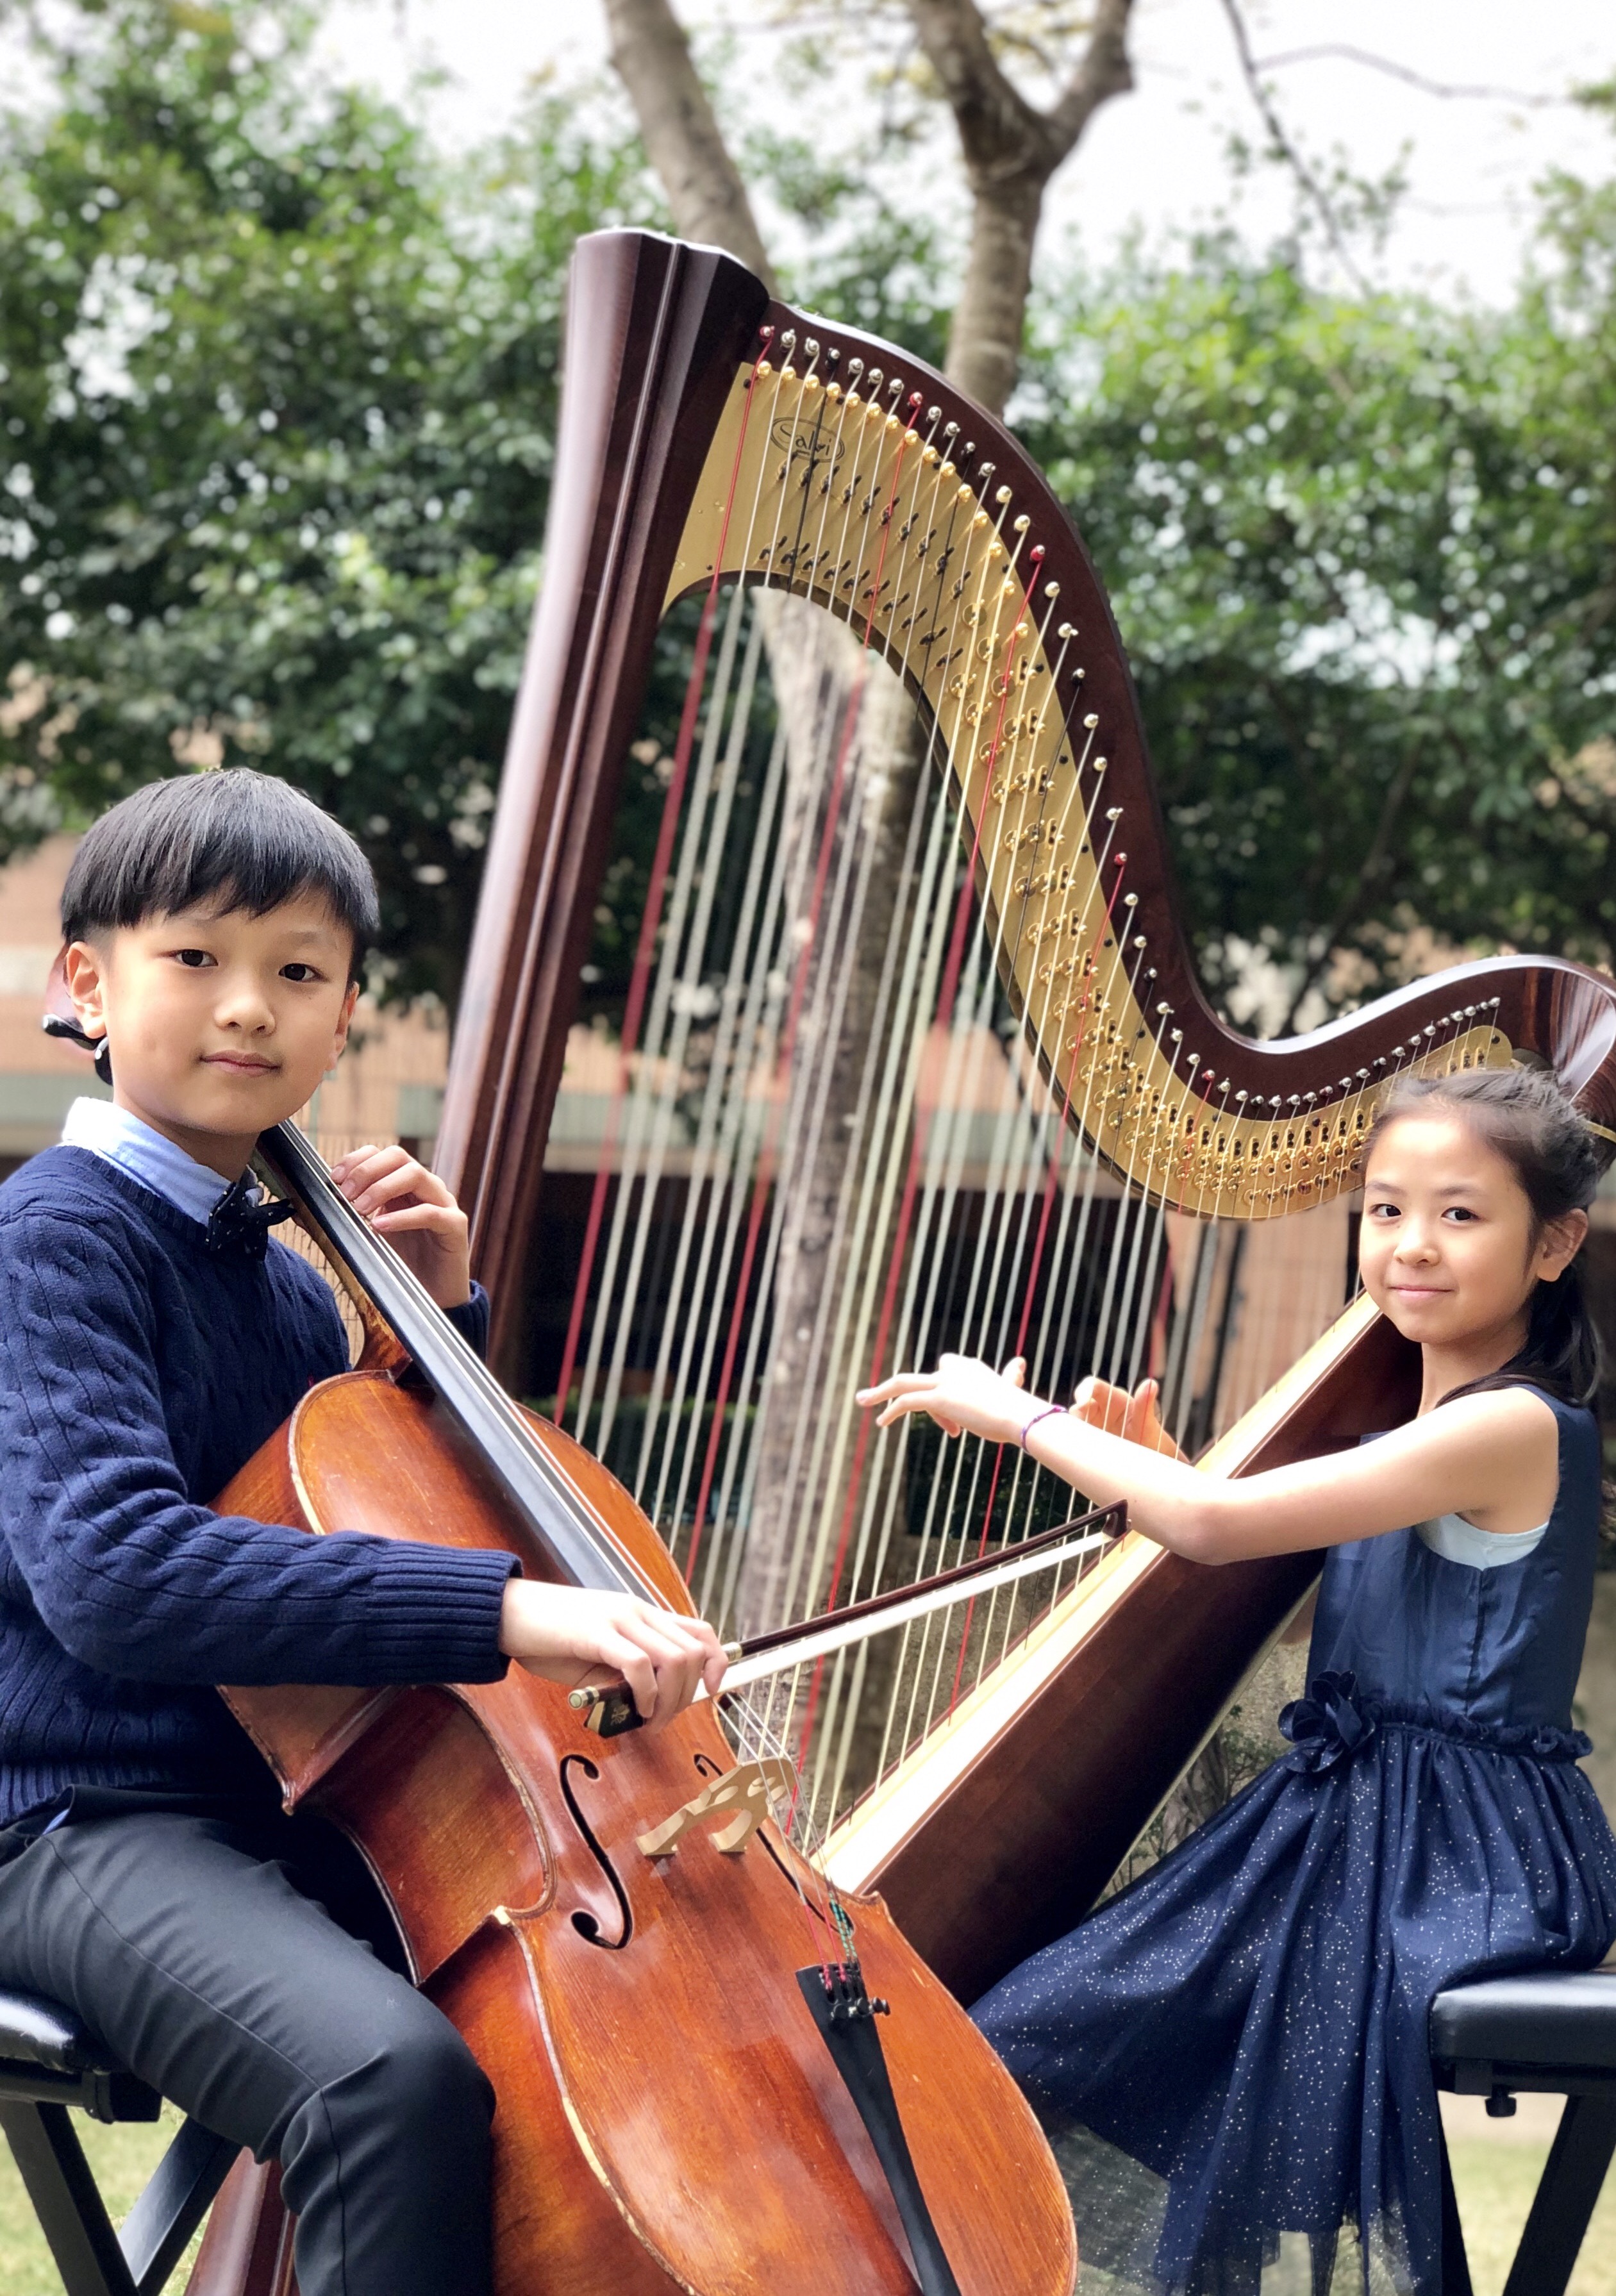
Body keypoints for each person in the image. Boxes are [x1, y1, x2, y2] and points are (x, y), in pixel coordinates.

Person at [0, 769, 726, 2296]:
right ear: (89, 984)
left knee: (614, 2013)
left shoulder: (283, 1279)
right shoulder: (56, 1236)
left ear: (344, 1017)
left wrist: (438, 1327)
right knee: (382, 2083)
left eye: (298, 971)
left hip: (282, 1807)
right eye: (196, 958)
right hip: (73, 1822)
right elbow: (114, 1575)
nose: (247, 1005)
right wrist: (513, 1613)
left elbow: (361, 1509)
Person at [857, 1065, 1616, 2296]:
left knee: (1037, 2033)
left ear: (1555, 1243)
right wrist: (1157, 1469)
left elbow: (1213, 1526)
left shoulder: (1511, 1425)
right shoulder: (1417, 1432)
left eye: (1459, 1213)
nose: (1411, 1243)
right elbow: (1296, 1597)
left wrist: (1022, 1416)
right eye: (1384, 1208)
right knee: (1036, 2028)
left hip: (1454, 1850)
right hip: (1360, 1818)